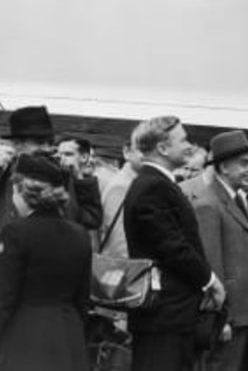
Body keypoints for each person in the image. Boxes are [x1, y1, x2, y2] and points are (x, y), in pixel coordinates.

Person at [123, 115, 226, 371]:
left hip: (166, 314)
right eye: (183, 139)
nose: (189, 145)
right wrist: (210, 281)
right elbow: (172, 247)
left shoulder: (155, 183)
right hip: (164, 315)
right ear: (163, 148)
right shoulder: (154, 187)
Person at [0, 153, 92, 371]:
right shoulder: (79, 233)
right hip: (69, 335)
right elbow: (83, 297)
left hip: (24, 336)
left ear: (23, 193)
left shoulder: (16, 232)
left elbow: (5, 296)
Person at [192, 130, 248, 371]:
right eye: (244, 163)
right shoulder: (208, 205)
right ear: (224, 166)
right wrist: (220, 319)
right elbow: (212, 267)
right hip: (228, 316)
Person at [1, 106, 101, 234]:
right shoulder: (5, 174)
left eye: (50, 142)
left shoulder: (61, 175)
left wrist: (81, 179)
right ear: (17, 144)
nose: (47, 148)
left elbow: (91, 220)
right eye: (39, 142)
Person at [98, 140, 144, 259]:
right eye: (143, 149)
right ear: (127, 152)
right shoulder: (122, 186)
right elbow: (120, 244)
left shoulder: (135, 182)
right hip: (124, 270)